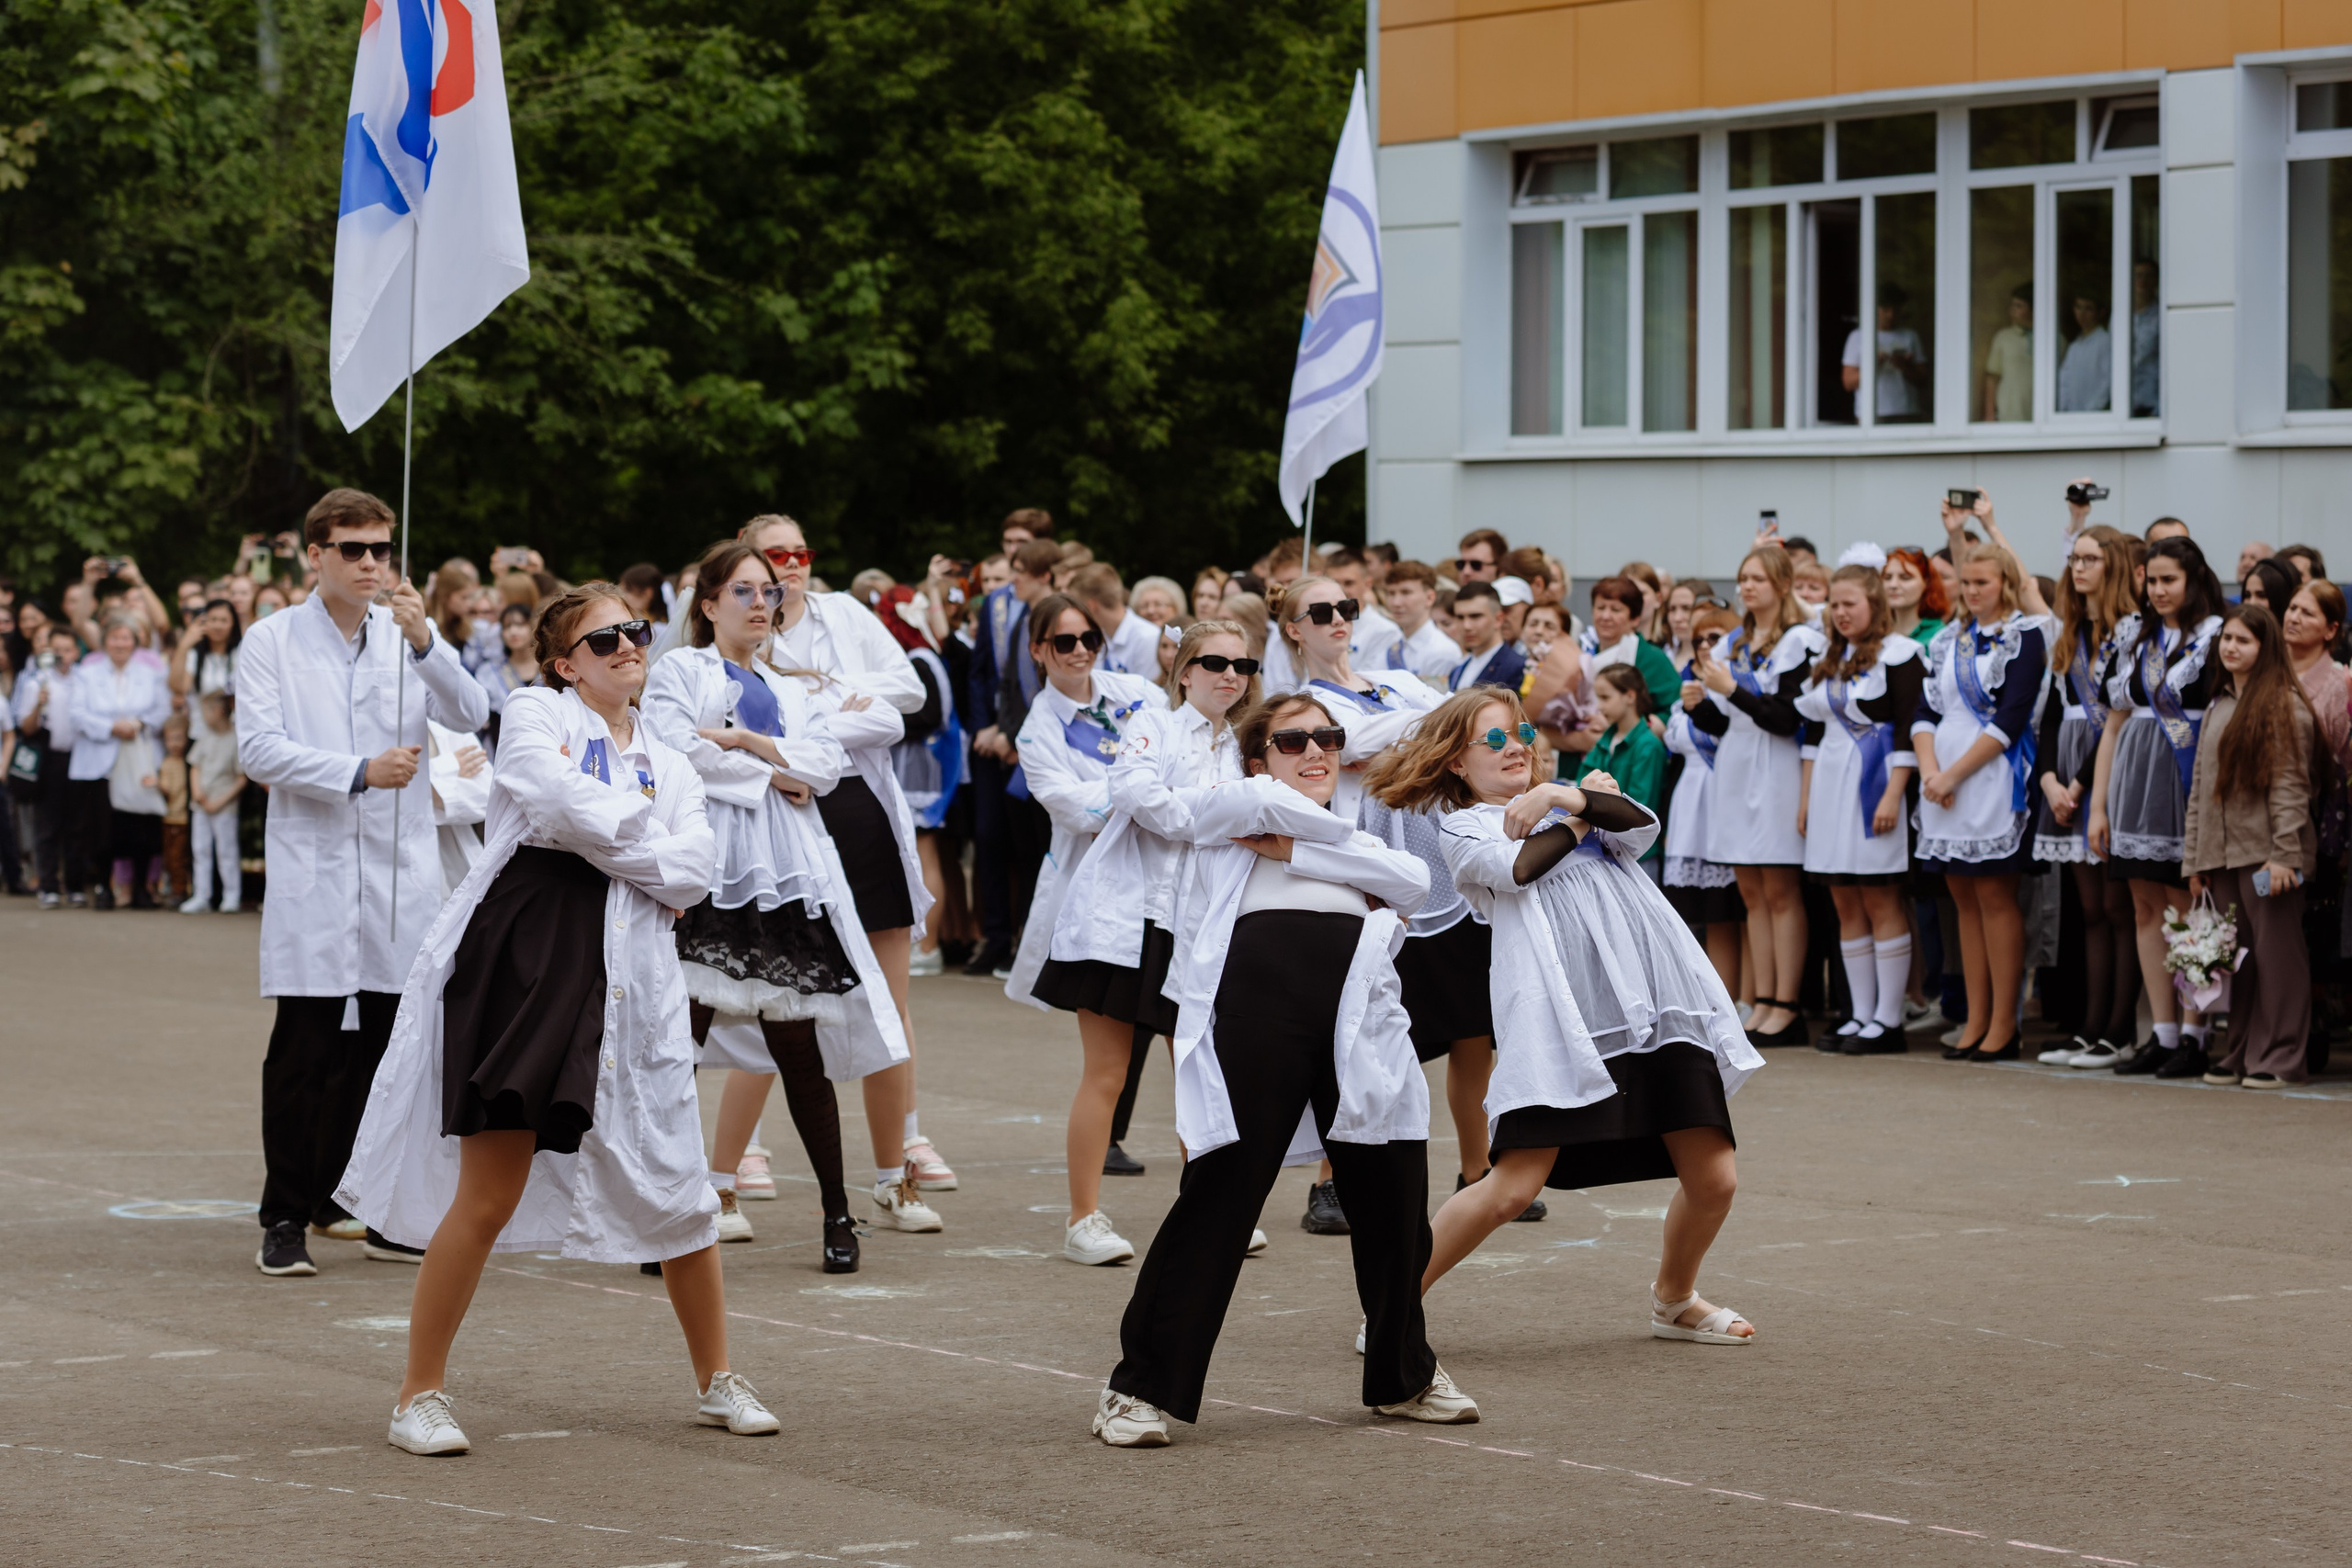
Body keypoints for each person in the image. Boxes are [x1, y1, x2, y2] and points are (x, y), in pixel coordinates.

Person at [336, 583, 781, 1455]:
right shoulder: (536, 712)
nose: (628, 645)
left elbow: (695, 871)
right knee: (491, 1186)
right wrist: (643, 842)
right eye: (604, 638)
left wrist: (622, 842)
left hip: (634, 978)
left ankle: (717, 1376)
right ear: (565, 663)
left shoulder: (673, 757)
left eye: (635, 630)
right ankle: (418, 1393)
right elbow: (550, 799)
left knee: (679, 1181)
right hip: (527, 962)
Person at [1092, 693, 1474, 1447]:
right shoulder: (1231, 811)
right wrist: (1328, 844)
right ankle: (1136, 1388)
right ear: (1256, 759)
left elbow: (1413, 879)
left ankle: (1404, 1376)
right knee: (1222, 1191)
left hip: (1361, 1018)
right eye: (1292, 740)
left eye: (1328, 737)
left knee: (1394, 1195)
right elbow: (1260, 805)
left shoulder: (1337, 833)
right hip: (1262, 1009)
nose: (1316, 751)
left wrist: (1298, 851)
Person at [1367, 689, 1761, 1345]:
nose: (1515, 747)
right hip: (1563, 1025)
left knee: (1715, 1178)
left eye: (1521, 733)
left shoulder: (1570, 798)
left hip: (1656, 1011)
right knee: (1511, 1189)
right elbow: (1520, 867)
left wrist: (1564, 797)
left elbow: (1638, 825)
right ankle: (1392, 1306)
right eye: (1495, 739)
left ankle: (1674, 1299)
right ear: (1458, 762)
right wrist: (1575, 811)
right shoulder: (1464, 827)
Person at [237, 488, 492, 1278]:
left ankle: (378, 1208)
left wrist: (427, 643)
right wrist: (358, 771)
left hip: (395, 872)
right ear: (316, 555)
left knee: (389, 1051)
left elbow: (474, 710)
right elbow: (259, 749)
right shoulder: (271, 639)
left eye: (382, 549)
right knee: (305, 1048)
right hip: (315, 868)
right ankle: (285, 1215)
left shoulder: (405, 634)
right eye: (354, 549)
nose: (371, 563)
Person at [645, 541, 915, 1269]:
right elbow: (676, 748)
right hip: (708, 872)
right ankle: (663, 1212)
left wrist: (748, 740)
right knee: (676, 1049)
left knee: (798, 1050)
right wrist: (774, 770)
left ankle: (837, 1212)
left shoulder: (792, 687)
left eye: (768, 591)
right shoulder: (680, 669)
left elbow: (825, 764)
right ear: (708, 604)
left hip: (783, 876)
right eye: (743, 591)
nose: (761, 603)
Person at [1044, 619, 1260, 1259]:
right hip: (1125, 919)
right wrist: (1210, 821)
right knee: (1107, 1072)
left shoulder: (1244, 748)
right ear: (1184, 672)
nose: (1230, 675)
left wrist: (1213, 818)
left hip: (1199, 927)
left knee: (1200, 1074)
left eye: (1243, 665)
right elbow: (1135, 790)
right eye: (1215, 662)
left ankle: (1211, 1212)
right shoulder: (1152, 723)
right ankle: (1083, 1220)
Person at [2088, 536, 2228, 1077]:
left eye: (2170, 580)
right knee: (2146, 908)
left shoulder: (2214, 634)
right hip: (2133, 780)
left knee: (2189, 907)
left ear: (2194, 580)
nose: (2159, 590)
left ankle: (2196, 1032)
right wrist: (2098, 806)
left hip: (2184, 775)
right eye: (2152, 580)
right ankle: (2162, 1032)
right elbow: (2113, 723)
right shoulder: (2136, 634)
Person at [1913, 546, 2048, 1063]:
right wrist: (1931, 772)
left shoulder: (2025, 636)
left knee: (1993, 895)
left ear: (2006, 583)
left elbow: (2012, 717)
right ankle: (1975, 1017)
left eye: (1982, 583)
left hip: (1991, 774)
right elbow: (1925, 710)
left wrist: (1952, 774)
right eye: (1965, 583)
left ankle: (2003, 1024)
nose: (1971, 591)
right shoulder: (1948, 638)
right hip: (1943, 780)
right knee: (1962, 898)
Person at [1688, 545, 1824, 1046]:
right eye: (1743, 578)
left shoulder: (1799, 640)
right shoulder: (1735, 642)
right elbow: (1726, 722)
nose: (1747, 587)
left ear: (1783, 585)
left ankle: (1786, 1003)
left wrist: (1730, 689)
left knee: (1781, 890)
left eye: (1758, 579)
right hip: (1738, 765)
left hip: (1777, 768)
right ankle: (1763, 1000)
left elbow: (1787, 718)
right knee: (1751, 892)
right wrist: (1699, 705)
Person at [1792, 554, 1924, 1051]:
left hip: (1875, 783)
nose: (1840, 613)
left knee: (1879, 896)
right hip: (1830, 785)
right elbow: (1813, 733)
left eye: (1850, 604)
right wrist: (1806, 799)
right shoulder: (1830, 657)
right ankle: (1859, 1014)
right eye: (1834, 605)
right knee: (1845, 900)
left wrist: (1893, 795)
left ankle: (1888, 1020)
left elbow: (1909, 728)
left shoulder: (1901, 654)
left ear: (1875, 604)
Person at [2185, 605, 2319, 1089]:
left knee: (2277, 957)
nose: (2231, 647)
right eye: (2227, 638)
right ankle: (2240, 1052)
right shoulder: (2219, 705)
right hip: (2220, 856)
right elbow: (2200, 788)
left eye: (2243, 640)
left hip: (2267, 856)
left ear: (2266, 649)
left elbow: (2291, 787)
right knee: (2237, 958)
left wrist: (2284, 854)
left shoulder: (2284, 704)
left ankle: (2280, 1056)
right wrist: (2194, 860)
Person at [2032, 526, 2144, 1068]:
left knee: (2120, 908)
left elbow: (2116, 720)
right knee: (2092, 910)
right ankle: (2091, 1027)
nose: (2078, 568)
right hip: (2067, 774)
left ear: (2114, 565)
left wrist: (2077, 784)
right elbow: (2053, 715)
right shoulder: (2072, 630)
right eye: (2075, 559)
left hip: (2111, 769)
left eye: (2091, 559)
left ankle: (2120, 1030)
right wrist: (2049, 780)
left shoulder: (2132, 630)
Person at [964, 536, 1064, 978]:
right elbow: (1007, 682)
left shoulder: (1060, 617)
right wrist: (1008, 735)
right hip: (1018, 749)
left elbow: (1052, 689)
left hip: (1047, 750)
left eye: (1020, 572)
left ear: (1044, 575)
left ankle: (1039, 945)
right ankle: (1017, 941)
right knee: (1020, 848)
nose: (1012, 580)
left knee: (1043, 852)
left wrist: (1016, 737)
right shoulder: (1024, 615)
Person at [1662, 608, 1747, 996]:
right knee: (1708, 912)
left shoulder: (1737, 692)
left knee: (1737, 910)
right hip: (1690, 807)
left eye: (1715, 637)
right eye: (1699, 639)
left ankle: (1748, 998)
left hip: (1726, 798)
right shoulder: (1687, 693)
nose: (1705, 646)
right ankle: (1718, 998)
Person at [69, 615, 174, 909]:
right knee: (101, 828)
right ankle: (104, 886)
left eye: (125, 637)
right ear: (105, 641)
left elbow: (162, 710)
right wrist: (111, 727)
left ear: (135, 641)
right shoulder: (86, 673)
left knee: (141, 825)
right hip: (98, 759)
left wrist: (138, 724)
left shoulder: (150, 673)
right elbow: (77, 713)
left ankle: (141, 888)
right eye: (114, 637)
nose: (120, 643)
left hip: (138, 757)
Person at [1576, 665, 1668, 874]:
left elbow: (1640, 809)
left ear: (1630, 696)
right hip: (1605, 852)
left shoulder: (1648, 746)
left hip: (1639, 857)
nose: (1600, 706)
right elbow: (1582, 784)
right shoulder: (1605, 740)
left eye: (1605, 697)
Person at [179, 688, 243, 913]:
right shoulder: (204, 737)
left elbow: (241, 778)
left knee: (227, 851)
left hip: (224, 807)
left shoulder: (235, 739)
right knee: (200, 850)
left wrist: (220, 802)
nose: (204, 715)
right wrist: (197, 792)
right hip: (201, 805)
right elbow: (195, 766)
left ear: (219, 711)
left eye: (207, 710)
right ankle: (201, 895)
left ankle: (232, 895)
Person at [1580, 575, 1682, 715]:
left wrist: (1644, 724)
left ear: (1635, 619)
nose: (1605, 616)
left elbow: (1674, 709)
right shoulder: (1583, 657)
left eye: (1616, 610)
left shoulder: (1653, 660)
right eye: (1600, 608)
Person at [1842, 287, 1928, 421]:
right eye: (1886, 310)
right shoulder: (1858, 337)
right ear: (1875, 309)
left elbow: (1923, 379)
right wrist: (1873, 365)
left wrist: (1904, 366)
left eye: (1896, 310)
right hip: (1871, 413)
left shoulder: (1910, 336)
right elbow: (1848, 382)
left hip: (1906, 411)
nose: (1891, 315)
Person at [1069, 562, 1162, 678]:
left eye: (1078, 606)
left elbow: (1148, 687)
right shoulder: (1098, 636)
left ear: (1091, 606)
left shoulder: (1147, 638)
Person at [1375, 560, 1461, 682]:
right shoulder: (1388, 645)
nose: (1396, 603)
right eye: (1391, 593)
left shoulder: (1443, 650)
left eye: (1406, 592)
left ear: (1430, 598)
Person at [1446, 581, 1526, 694]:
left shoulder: (1517, 668)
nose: (1466, 626)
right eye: (1460, 617)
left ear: (1498, 619)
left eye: (1475, 616)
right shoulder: (1457, 670)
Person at [1983, 283, 2033, 423]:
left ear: (2033, 310)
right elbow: (1992, 378)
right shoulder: (2003, 338)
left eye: (2019, 306)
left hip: (2041, 417)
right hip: (2010, 416)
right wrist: (1990, 415)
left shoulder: (2053, 340)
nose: (2013, 310)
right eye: (2012, 305)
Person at [170, 599, 240, 700]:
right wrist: (183, 646)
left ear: (233, 624)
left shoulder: (239, 654)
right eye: (213, 620)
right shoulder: (194, 655)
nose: (218, 626)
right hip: (200, 709)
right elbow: (178, 687)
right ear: (204, 622)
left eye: (224, 620)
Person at [2056, 293, 2113, 412]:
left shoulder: (2105, 341)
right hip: (2072, 415)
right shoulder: (2074, 346)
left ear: (2101, 312)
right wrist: (2063, 410)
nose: (2082, 313)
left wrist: (2092, 410)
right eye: (2078, 307)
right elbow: (2064, 381)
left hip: (2094, 415)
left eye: (2088, 309)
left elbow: (2108, 381)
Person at [2130, 260, 2161, 418]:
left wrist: (2159, 409)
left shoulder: (2161, 315)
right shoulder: (2120, 314)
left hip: (2151, 403)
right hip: (2125, 403)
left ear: (2156, 280)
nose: (2142, 281)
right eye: (2138, 276)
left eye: (2148, 276)